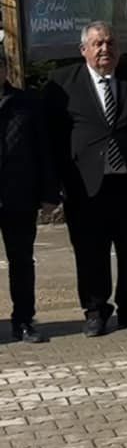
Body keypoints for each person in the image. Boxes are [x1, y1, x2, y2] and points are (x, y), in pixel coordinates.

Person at [44, 21, 127, 335]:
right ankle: (95, 310)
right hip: (86, 185)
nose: (105, 49)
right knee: (90, 252)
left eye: (111, 43)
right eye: (98, 44)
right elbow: (52, 135)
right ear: (83, 49)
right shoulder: (62, 84)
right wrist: (56, 181)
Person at [1, 41, 57, 344]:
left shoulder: (27, 103)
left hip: (18, 196)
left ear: (6, 70)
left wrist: (50, 194)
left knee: (21, 261)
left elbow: (43, 151)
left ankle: (24, 319)